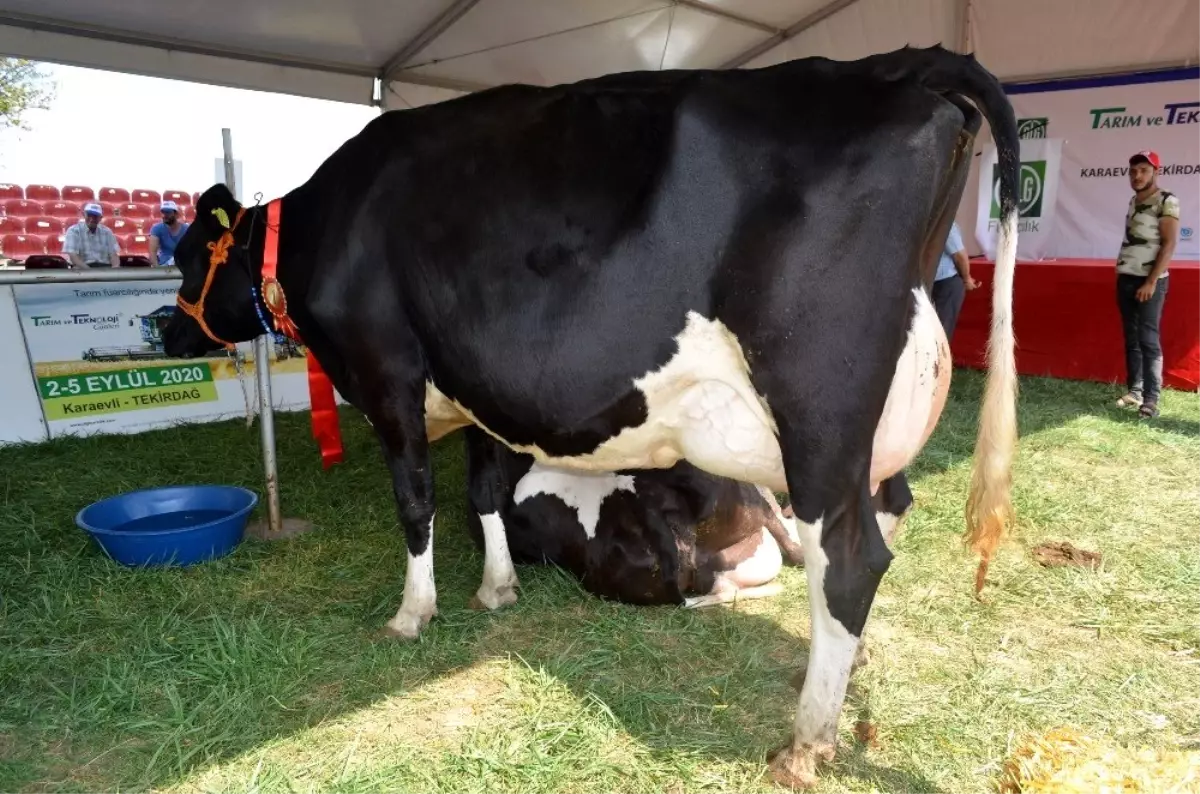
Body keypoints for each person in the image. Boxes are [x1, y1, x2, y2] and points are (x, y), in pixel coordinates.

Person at [1114, 150, 1180, 419]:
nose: (1137, 176)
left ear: (1155, 172)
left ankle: (1151, 399)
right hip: (1126, 278)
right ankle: (1135, 391)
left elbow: (1169, 244)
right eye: (1133, 171)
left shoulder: (1166, 200)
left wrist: (1151, 281)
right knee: (1131, 337)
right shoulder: (1133, 200)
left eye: (1143, 170)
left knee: (1148, 339)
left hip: (1149, 281)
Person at [930, 220, 980, 344]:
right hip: (940, 284)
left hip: (939, 284)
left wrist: (966, 278)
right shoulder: (943, 222)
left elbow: (959, 256)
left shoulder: (938, 222)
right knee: (939, 331)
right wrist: (967, 278)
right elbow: (959, 256)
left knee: (937, 331)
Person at [62, 203, 120, 269]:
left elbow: (113, 255)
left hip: (105, 268)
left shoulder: (107, 232)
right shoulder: (73, 231)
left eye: (95, 216)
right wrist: (90, 272)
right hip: (82, 268)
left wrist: (115, 269)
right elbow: (73, 257)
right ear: (84, 215)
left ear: (100, 218)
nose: (92, 219)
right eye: (89, 215)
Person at [147, 200, 190, 266]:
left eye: (168, 212)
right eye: (163, 212)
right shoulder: (156, 228)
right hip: (165, 265)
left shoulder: (186, 228)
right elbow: (152, 252)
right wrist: (157, 271)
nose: (165, 215)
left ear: (176, 214)